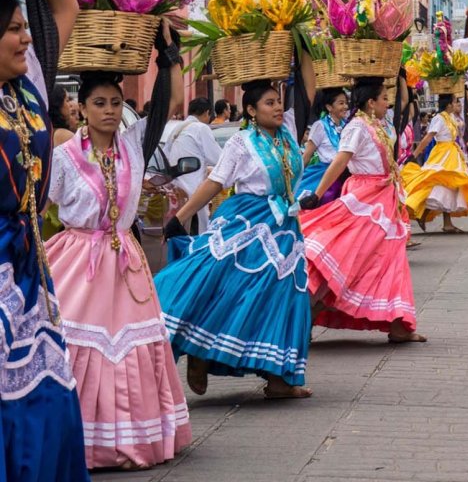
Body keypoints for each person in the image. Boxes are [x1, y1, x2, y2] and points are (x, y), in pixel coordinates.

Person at [47, 56, 192, 470]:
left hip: (124, 261)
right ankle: (79, 442)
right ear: (82, 107)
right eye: (99, 103)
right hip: (78, 261)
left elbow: (170, 103)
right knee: (76, 344)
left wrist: (169, 58)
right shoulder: (65, 157)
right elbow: (42, 208)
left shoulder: (133, 147)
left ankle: (130, 440)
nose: (109, 110)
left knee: (132, 345)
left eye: (115, 102)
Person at [158, 80, 312, 400]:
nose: (278, 108)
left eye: (279, 101)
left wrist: (302, 49)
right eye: (269, 103)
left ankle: (279, 376)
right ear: (252, 111)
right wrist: (180, 217)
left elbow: (308, 89)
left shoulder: (288, 134)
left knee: (285, 293)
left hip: (285, 224)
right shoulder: (241, 142)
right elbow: (215, 182)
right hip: (247, 222)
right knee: (232, 287)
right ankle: (199, 348)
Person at [0, 0, 89, 480]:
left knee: (49, 395)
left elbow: (64, 9)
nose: (25, 36)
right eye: (13, 29)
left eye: (22, 27)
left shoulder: (27, 85)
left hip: (30, 268)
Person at [299, 78, 426, 343]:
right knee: (352, 260)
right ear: (371, 103)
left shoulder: (379, 124)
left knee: (389, 259)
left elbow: (403, 108)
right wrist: (317, 194)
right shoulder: (357, 126)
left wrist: (401, 78)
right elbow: (340, 160)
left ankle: (398, 324)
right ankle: (306, 315)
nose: (387, 103)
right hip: (365, 199)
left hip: (384, 197)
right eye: (383, 98)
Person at [402, 93, 468, 234]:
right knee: (438, 184)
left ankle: (447, 223)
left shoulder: (450, 117)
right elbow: (428, 137)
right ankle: (423, 211)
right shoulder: (439, 118)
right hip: (442, 153)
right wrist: (415, 154)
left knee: (451, 187)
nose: (458, 104)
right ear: (449, 104)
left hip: (452, 153)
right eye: (455, 101)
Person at [165, 97, 223, 235]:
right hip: (194, 189)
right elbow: (218, 158)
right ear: (207, 113)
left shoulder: (177, 128)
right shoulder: (201, 128)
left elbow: (167, 154)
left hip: (176, 187)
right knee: (199, 233)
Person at [297, 88, 348, 205]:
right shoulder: (320, 126)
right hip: (325, 174)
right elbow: (307, 156)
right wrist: (295, 180)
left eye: (346, 103)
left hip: (345, 173)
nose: (345, 106)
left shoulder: (348, 126)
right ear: (329, 107)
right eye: (341, 103)